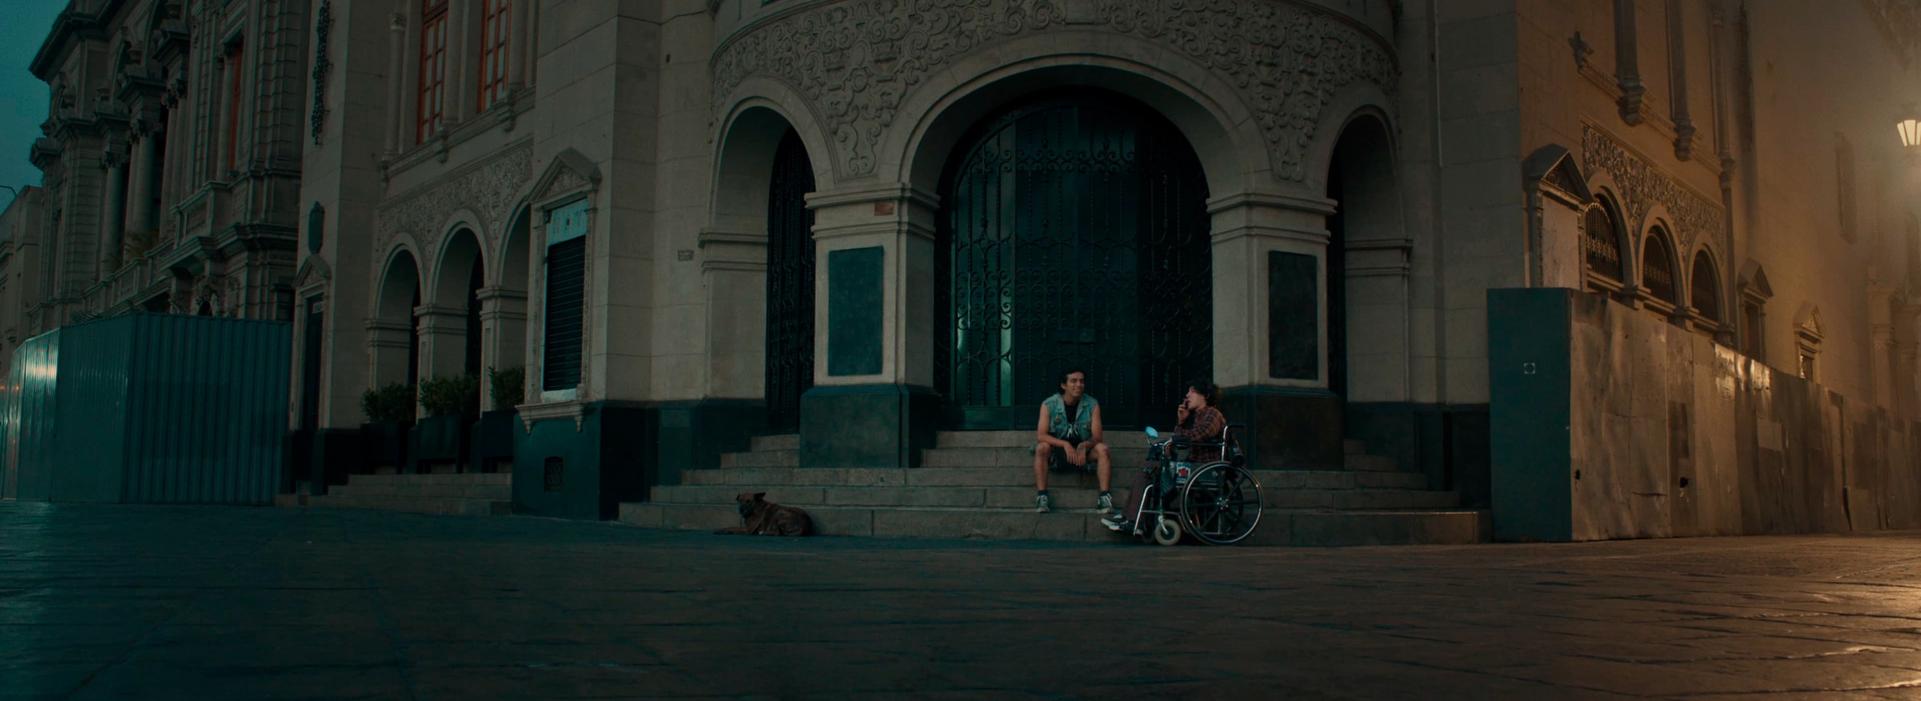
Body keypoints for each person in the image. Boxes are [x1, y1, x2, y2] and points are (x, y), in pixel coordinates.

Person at [1101, 380, 1226, 534]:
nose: (1187, 395)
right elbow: (1183, 438)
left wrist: (1175, 438)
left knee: (1151, 469)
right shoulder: (1197, 416)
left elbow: (1198, 435)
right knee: (1149, 469)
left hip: (1205, 468)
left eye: (1192, 391)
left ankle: (1133, 519)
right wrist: (1181, 422)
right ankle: (1131, 517)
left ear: (1205, 395)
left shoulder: (1212, 414)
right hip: (1194, 466)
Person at [1032, 369, 1113, 514]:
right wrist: (1064, 444)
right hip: (1058, 453)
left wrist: (1085, 445)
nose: (1079, 385)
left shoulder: (1092, 404)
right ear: (1064, 385)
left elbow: (1097, 437)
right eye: (1073, 381)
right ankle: (1042, 497)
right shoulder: (1048, 404)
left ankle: (1104, 497)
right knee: (1041, 448)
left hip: (1083, 453)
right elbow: (1041, 435)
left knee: (1103, 449)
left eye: (1081, 381)